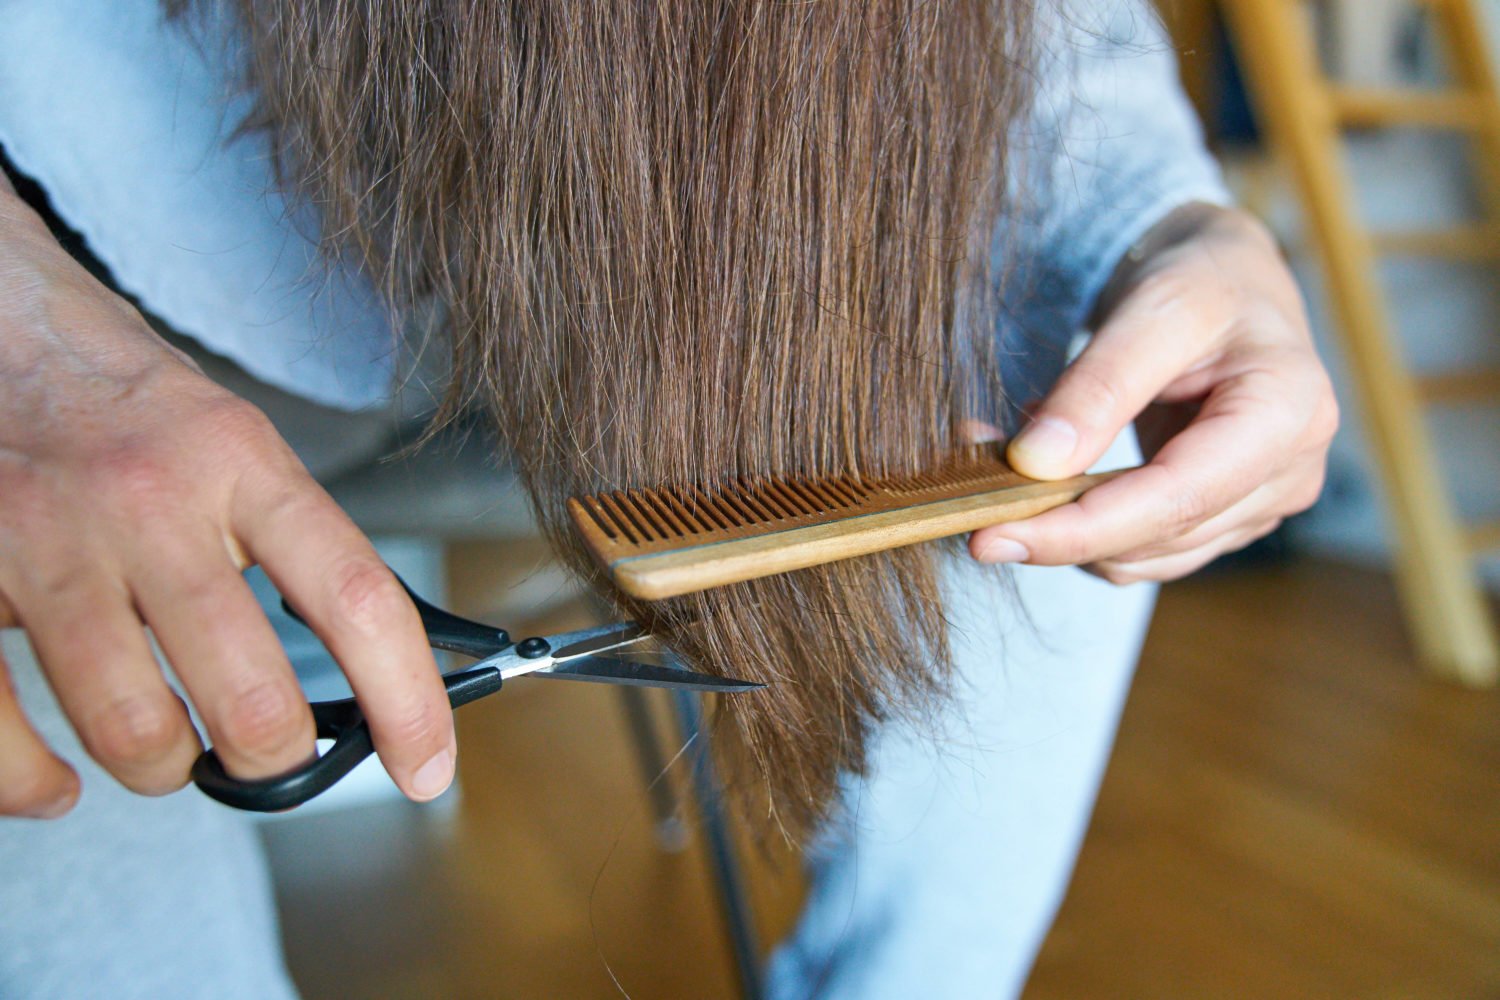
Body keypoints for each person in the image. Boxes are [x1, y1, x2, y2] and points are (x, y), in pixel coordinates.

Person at [0, 1, 1336, 997]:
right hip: (121, 293)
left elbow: (1068, 49)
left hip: (620, 346)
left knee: (1049, 401)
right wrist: (29, 334)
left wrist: (1184, 231)